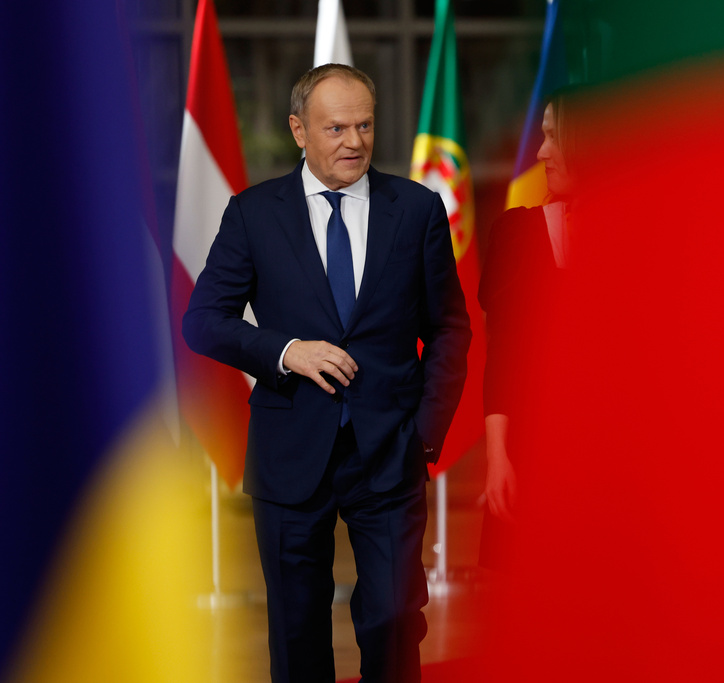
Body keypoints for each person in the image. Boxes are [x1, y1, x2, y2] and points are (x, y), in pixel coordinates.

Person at [183, 63, 471, 683]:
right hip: (290, 453)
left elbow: (450, 328)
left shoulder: (417, 209)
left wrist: (424, 432)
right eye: (336, 127)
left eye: (364, 125)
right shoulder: (254, 214)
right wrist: (288, 350)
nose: (355, 141)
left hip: (390, 454)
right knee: (296, 630)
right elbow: (202, 321)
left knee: (394, 620)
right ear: (298, 130)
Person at [477, 93, 576, 568]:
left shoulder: (648, 238)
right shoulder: (516, 235)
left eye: (554, 136)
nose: (540, 151)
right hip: (533, 455)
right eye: (542, 134)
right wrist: (498, 459)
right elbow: (503, 358)